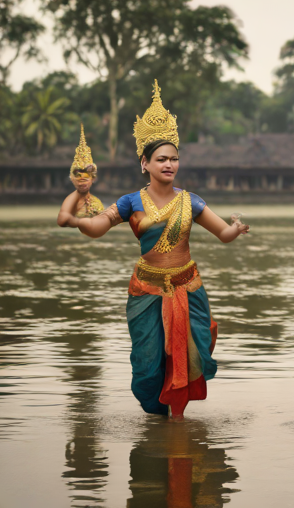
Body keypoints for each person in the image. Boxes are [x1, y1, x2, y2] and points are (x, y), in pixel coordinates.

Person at [57, 80, 249, 419]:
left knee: (190, 355)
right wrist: (76, 214)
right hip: (146, 291)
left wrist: (236, 228)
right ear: (144, 163)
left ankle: (176, 430)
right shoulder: (131, 202)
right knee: (148, 367)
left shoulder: (191, 201)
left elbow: (223, 233)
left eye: (174, 159)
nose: (169, 165)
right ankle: (157, 420)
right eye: (161, 159)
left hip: (188, 288)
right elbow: (97, 227)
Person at [58, 124, 104, 223]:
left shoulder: (97, 204)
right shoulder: (69, 202)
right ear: (71, 178)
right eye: (78, 175)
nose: (82, 179)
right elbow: (62, 221)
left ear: (93, 179)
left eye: (87, 175)